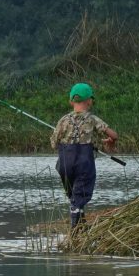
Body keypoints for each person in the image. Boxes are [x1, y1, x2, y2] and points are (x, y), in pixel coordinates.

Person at [50, 83, 118, 231]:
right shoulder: (92, 119)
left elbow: (54, 144)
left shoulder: (63, 120)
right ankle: (75, 230)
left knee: (74, 196)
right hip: (84, 164)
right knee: (79, 197)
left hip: (65, 164)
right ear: (89, 101)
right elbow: (114, 135)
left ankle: (81, 225)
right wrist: (110, 142)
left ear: (71, 101)